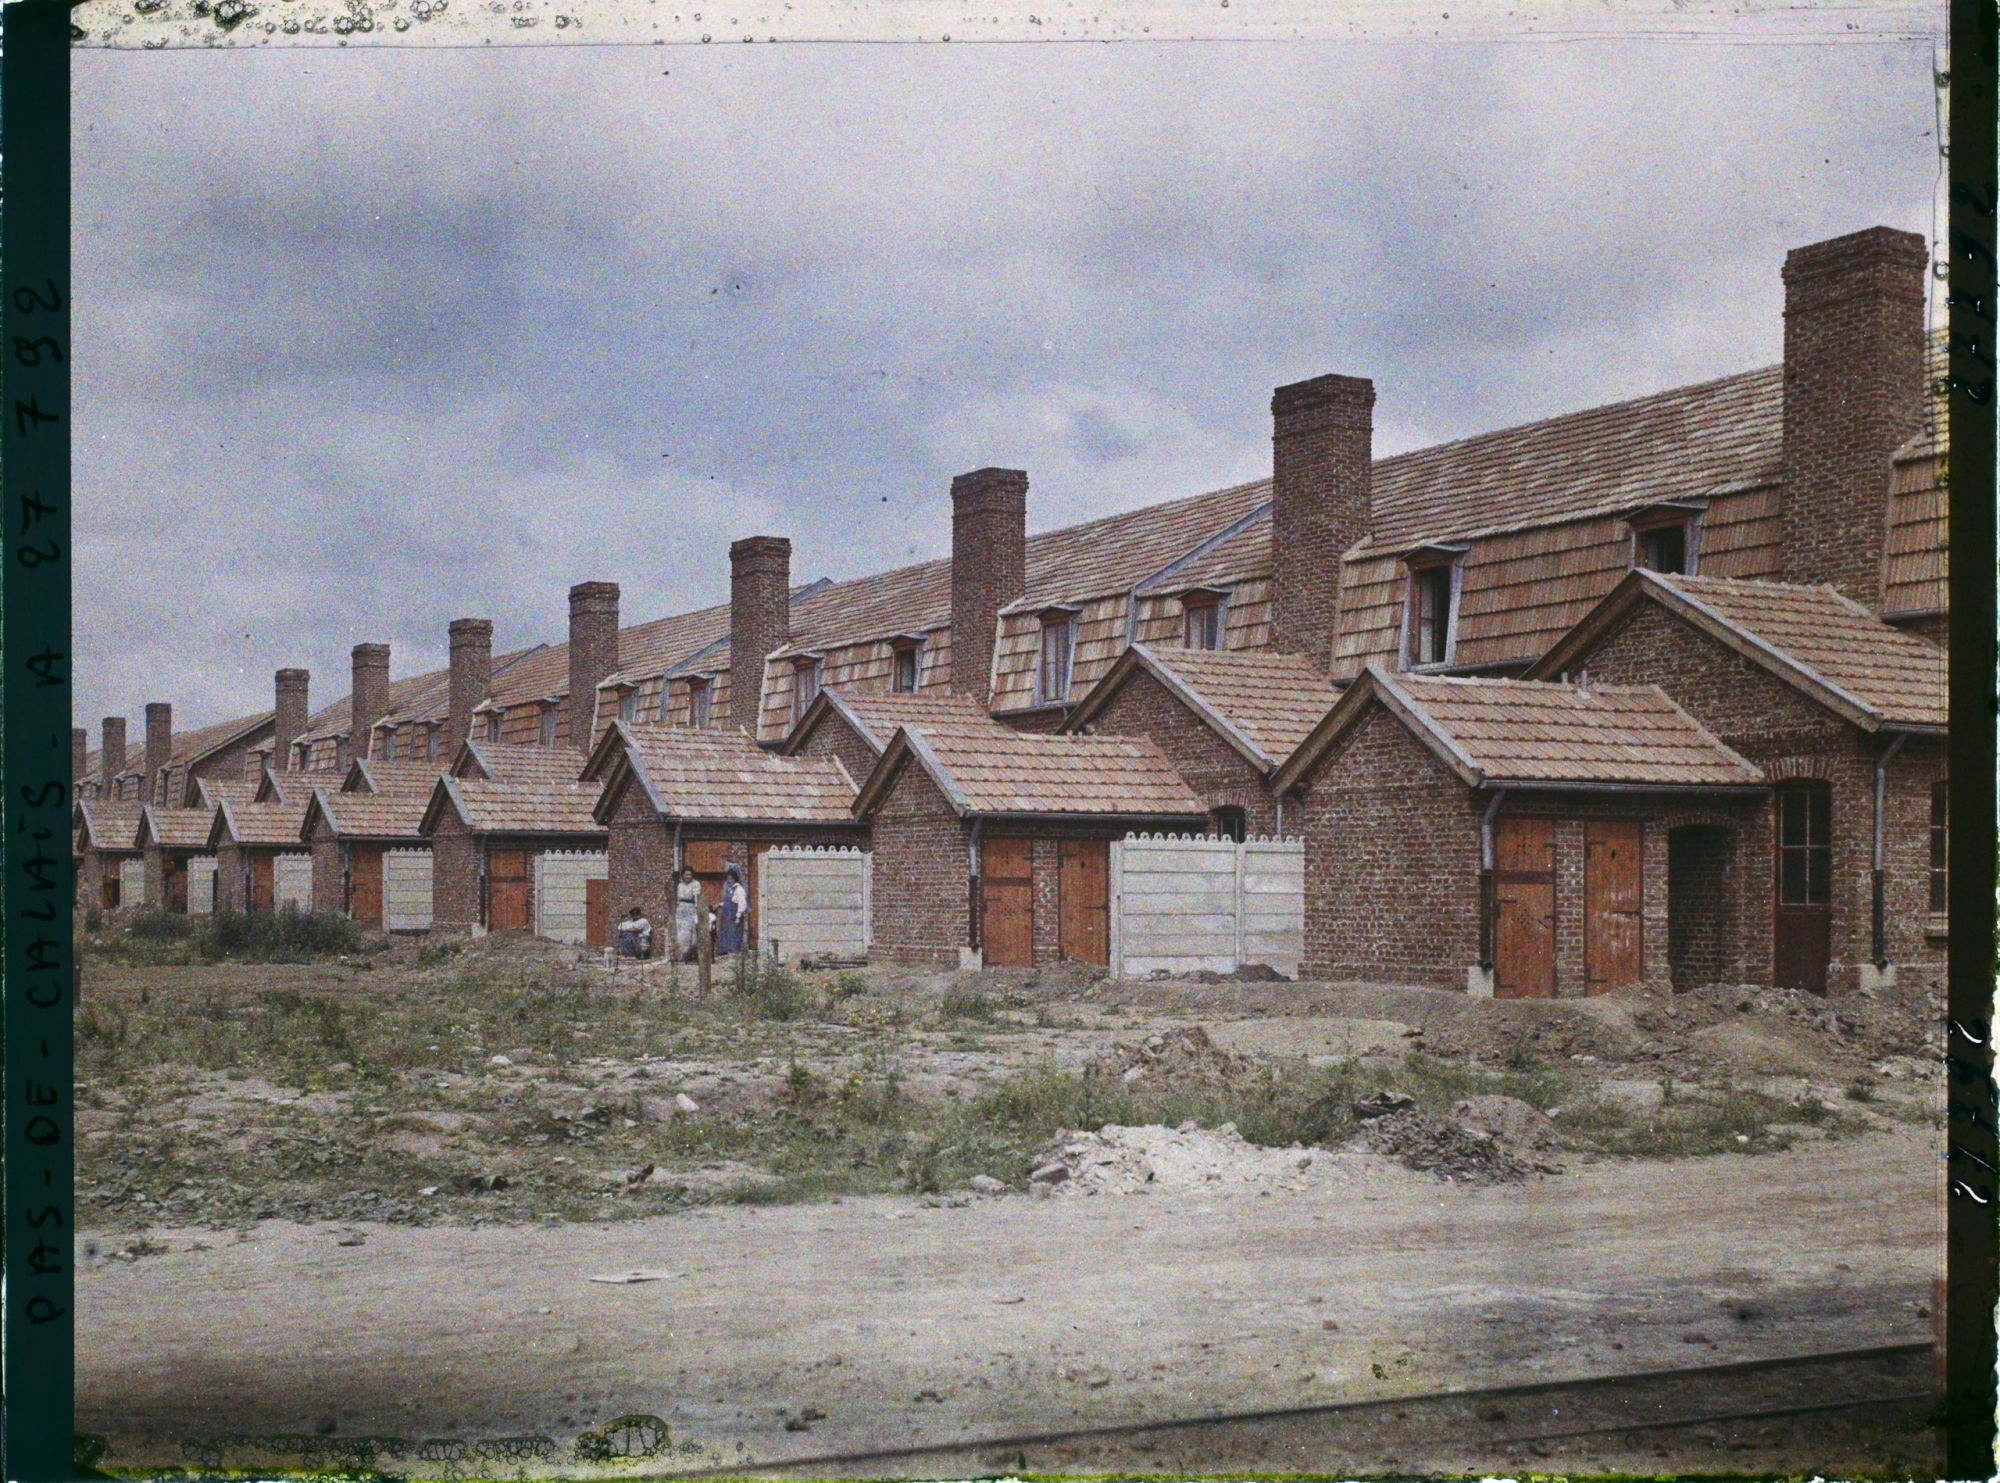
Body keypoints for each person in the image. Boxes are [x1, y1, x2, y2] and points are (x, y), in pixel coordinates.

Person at [716, 865, 748, 956]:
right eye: (728, 879)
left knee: (734, 934)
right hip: (726, 916)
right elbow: (728, 902)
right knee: (726, 933)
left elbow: (742, 903)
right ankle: (725, 952)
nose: (729, 881)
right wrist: (719, 905)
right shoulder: (729, 889)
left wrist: (738, 916)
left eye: (731, 879)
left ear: (735, 879)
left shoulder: (739, 889)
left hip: (734, 915)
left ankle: (734, 953)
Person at [674, 867, 702, 961]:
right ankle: (681, 955)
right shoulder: (680, 885)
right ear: (683, 875)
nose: (688, 876)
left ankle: (691, 954)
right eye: (686, 874)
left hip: (691, 907)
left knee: (691, 930)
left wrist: (697, 908)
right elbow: (677, 898)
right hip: (681, 908)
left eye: (690, 874)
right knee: (680, 930)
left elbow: (696, 897)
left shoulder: (696, 884)